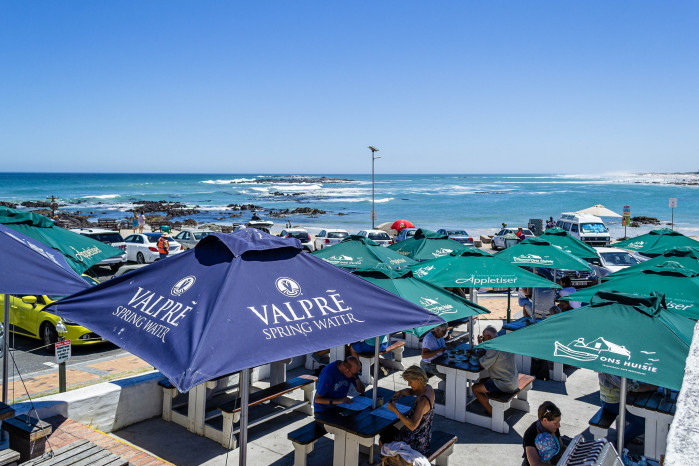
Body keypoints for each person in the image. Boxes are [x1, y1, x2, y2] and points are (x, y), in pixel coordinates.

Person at [381, 365, 435, 456]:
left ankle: (388, 460)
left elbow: (412, 426)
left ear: (419, 379)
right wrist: (401, 392)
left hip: (415, 443)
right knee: (389, 430)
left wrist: (395, 410)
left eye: (410, 381)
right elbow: (412, 391)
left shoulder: (422, 401)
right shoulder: (428, 388)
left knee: (384, 435)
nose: (409, 384)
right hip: (424, 437)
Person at [598, 373, 656, 447]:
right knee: (641, 423)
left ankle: (628, 435)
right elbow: (629, 386)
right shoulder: (610, 371)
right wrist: (650, 387)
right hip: (612, 403)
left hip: (618, 400)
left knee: (639, 413)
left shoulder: (612, 368)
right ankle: (618, 445)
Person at [473, 326, 519, 416]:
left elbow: (481, 365)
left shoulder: (494, 348)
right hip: (512, 380)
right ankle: (486, 402)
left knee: (475, 388)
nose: (483, 339)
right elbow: (490, 355)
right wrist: (482, 345)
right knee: (482, 381)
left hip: (505, 384)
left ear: (489, 337)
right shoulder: (502, 342)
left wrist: (480, 350)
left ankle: (492, 413)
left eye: (483, 337)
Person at [522, 401, 565, 466]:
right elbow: (535, 464)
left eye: (558, 422)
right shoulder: (530, 434)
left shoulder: (553, 428)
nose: (559, 425)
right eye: (555, 423)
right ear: (545, 420)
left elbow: (562, 448)